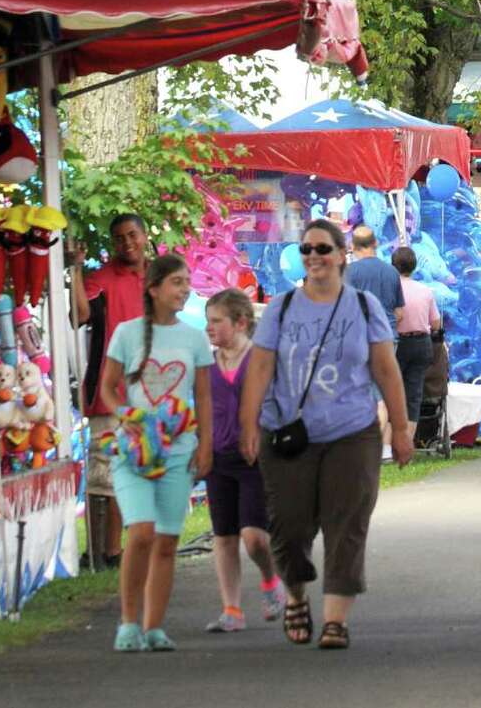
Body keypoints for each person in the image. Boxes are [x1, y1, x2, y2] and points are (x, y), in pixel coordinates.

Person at [239, 218, 414, 651]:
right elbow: (260, 368)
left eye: (322, 249)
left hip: (352, 431)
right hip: (287, 432)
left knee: (347, 522)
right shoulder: (281, 308)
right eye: (307, 250)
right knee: (290, 526)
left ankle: (336, 620)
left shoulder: (364, 307)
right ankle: (296, 595)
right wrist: (247, 425)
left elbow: (385, 368)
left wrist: (402, 427)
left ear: (341, 255)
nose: (314, 257)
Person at [99, 253, 213, 652]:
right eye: (177, 283)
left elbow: (203, 395)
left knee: (167, 540)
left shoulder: (195, 336)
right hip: (133, 451)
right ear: (154, 289)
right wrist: (126, 415)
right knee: (142, 532)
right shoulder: (127, 333)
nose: (184, 290)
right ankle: (127, 623)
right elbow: (107, 389)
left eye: (186, 282)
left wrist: (205, 446)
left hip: (180, 450)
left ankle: (154, 626)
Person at [203, 288, 284, 633]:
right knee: (223, 536)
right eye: (207, 321)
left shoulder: (260, 359)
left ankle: (270, 580)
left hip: (255, 458)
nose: (209, 328)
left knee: (254, 537)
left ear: (240, 322)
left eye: (216, 321)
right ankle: (231, 609)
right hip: (218, 456)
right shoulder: (206, 364)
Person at [72, 213, 149, 567]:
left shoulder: (159, 276)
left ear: (144, 236)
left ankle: (117, 551)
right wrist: (74, 270)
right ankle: (99, 551)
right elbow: (79, 315)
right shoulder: (100, 278)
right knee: (104, 477)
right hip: (108, 391)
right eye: (119, 238)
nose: (127, 243)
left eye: (132, 235)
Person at [391, 246, 442, 442]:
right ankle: (408, 439)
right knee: (414, 392)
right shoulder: (426, 290)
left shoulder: (392, 289)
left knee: (392, 390)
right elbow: (435, 322)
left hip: (397, 343)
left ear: (393, 266)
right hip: (421, 343)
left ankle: (392, 438)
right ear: (414, 267)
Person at [347, 225, 405, 323]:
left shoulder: (348, 272)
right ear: (376, 243)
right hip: (389, 335)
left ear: (352, 246)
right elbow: (399, 313)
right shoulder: (392, 271)